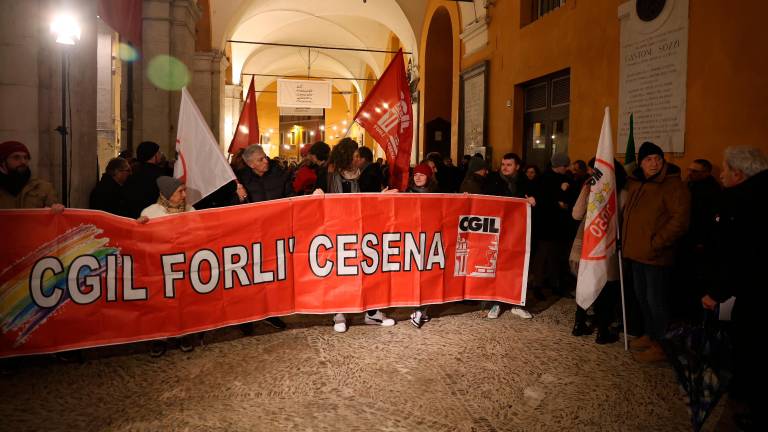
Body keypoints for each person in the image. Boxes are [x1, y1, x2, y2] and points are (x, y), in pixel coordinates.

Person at [701, 146, 768, 430]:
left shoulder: (742, 201)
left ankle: (754, 409)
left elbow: (738, 256)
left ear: (739, 174)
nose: (723, 175)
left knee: (751, 347)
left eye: (726, 170)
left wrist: (716, 293)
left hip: (756, 292)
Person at [622, 142, 690, 363]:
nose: (654, 163)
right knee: (642, 298)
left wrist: (656, 243)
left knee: (656, 301)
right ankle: (650, 335)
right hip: (635, 252)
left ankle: (662, 345)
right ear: (640, 163)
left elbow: (679, 221)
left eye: (658, 159)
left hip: (655, 255)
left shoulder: (673, 185)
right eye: (649, 159)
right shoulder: (636, 182)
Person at [320, 138, 397, 332]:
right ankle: (339, 314)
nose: (357, 159)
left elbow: (366, 199)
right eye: (354, 156)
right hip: (337, 228)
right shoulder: (329, 174)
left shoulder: (361, 174)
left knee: (368, 268)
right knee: (341, 271)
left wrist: (381, 196)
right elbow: (324, 199)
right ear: (345, 156)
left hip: (361, 227)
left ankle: (372, 313)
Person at [570, 158, 628, 344]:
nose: (590, 173)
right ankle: (601, 329)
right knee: (605, 286)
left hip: (594, 242)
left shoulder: (620, 193)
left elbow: (576, 214)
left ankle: (581, 323)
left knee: (589, 281)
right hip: (603, 244)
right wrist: (586, 189)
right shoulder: (622, 193)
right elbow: (577, 214)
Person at [137, 176, 196, 355]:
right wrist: (138, 226)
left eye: (184, 190)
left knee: (183, 300)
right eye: (180, 191)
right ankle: (159, 338)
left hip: (184, 264)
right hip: (159, 267)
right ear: (168, 194)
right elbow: (139, 241)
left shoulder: (190, 211)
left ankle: (182, 334)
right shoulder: (150, 212)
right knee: (159, 302)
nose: (184, 195)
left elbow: (199, 233)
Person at [235, 144, 291, 331]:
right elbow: (229, 210)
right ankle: (247, 317)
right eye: (260, 159)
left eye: (265, 157)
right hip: (250, 236)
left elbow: (291, 197)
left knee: (272, 276)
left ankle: (270, 313)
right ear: (251, 164)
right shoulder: (240, 180)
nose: (266, 161)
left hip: (274, 233)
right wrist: (239, 197)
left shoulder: (279, 175)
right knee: (248, 277)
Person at [484, 153, 535, 320]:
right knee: (497, 266)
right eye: (503, 164)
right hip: (498, 232)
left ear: (517, 167)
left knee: (518, 267)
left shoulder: (526, 182)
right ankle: (496, 303)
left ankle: (517, 303)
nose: (505, 167)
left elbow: (533, 203)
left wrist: (533, 202)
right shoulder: (492, 181)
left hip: (518, 233)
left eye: (509, 165)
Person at [529, 153, 575, 300]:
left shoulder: (565, 178)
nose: (566, 168)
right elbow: (542, 200)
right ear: (558, 166)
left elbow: (569, 198)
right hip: (545, 225)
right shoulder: (544, 179)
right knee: (542, 257)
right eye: (564, 166)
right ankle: (538, 286)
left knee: (556, 257)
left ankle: (555, 285)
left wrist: (564, 201)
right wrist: (560, 194)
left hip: (559, 225)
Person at [407, 163, 438, 328]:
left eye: (422, 174)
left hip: (430, 240)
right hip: (411, 241)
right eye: (415, 174)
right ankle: (418, 309)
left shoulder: (437, 195)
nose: (417, 177)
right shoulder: (406, 194)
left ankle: (421, 309)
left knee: (427, 275)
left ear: (429, 177)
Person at [0, 140, 63, 211]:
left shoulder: (44, 188)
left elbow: (55, 218)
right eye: (16, 157)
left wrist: (57, 209)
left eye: (26, 157)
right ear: (2, 161)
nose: (23, 162)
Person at [124, 141, 169, 218]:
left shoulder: (132, 173)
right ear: (153, 156)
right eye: (158, 152)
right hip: (153, 217)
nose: (161, 154)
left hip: (134, 217)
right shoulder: (159, 175)